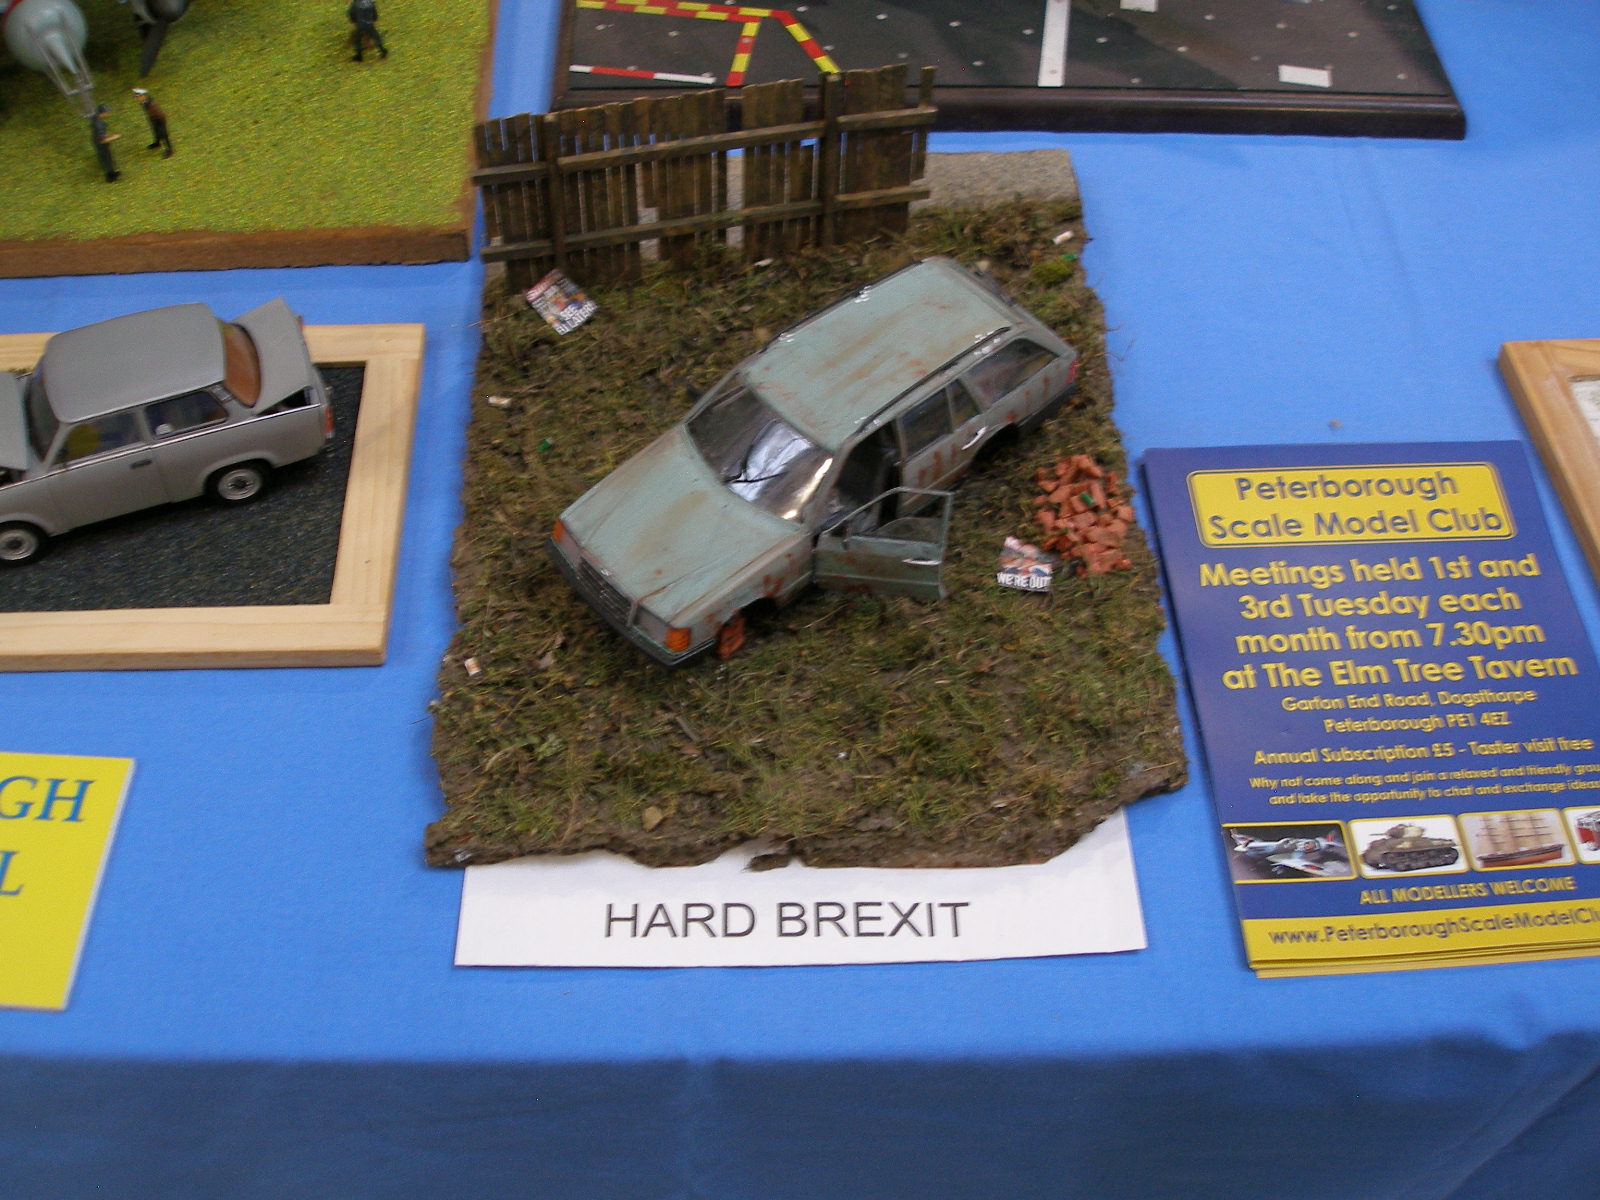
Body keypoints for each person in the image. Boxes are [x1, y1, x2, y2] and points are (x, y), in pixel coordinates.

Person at [132, 88, 172, 158]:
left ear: (143, 96)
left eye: (137, 97)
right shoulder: (143, 102)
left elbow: (160, 114)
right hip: (153, 119)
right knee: (155, 131)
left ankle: (169, 150)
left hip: (159, 120)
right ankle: (157, 143)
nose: (136, 99)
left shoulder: (151, 104)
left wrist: (158, 121)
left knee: (163, 134)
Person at [89, 105, 120, 183]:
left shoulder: (96, 119)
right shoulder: (99, 125)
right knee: (106, 160)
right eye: (106, 112)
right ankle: (110, 178)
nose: (108, 114)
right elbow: (103, 140)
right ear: (101, 113)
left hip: (97, 142)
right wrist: (114, 137)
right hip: (101, 145)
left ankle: (113, 173)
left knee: (109, 159)